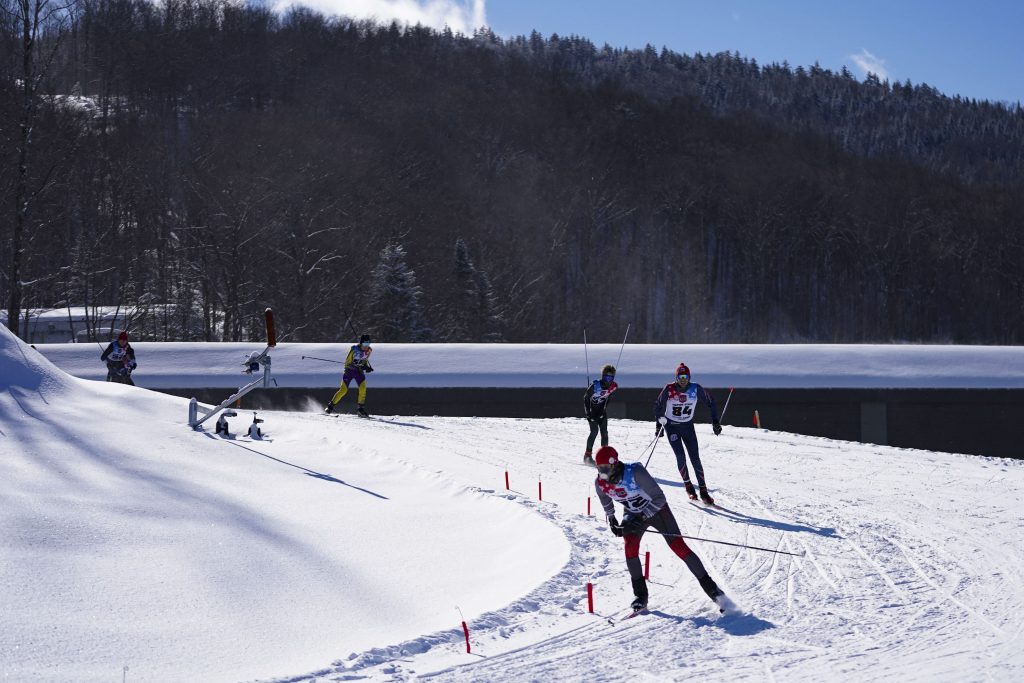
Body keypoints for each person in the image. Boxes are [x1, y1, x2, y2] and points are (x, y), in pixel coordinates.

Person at [593, 445, 731, 613]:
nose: (602, 473)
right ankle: (640, 596)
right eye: (599, 468)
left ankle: (714, 592)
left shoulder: (635, 472)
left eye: (605, 468)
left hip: (658, 511)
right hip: (633, 514)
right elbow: (604, 498)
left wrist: (643, 518)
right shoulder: (600, 483)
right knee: (630, 549)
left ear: (614, 463)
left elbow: (659, 498)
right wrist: (612, 518)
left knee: (679, 547)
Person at [654, 362, 722, 505]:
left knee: (695, 458)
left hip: (687, 426)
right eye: (680, 376)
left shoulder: (695, 388)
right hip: (672, 426)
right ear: (676, 377)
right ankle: (689, 487)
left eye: (685, 376)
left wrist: (715, 422)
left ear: (689, 377)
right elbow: (658, 404)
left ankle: (703, 491)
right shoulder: (669, 388)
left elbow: (711, 402)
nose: (683, 379)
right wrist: (658, 423)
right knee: (681, 457)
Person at [324, 334, 374, 417]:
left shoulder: (369, 350)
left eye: (368, 344)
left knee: (363, 388)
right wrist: (361, 365)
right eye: (365, 344)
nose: (367, 346)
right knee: (343, 390)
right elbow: (349, 361)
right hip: (349, 371)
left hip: (359, 372)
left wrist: (367, 367)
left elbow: (364, 361)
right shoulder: (354, 349)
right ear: (361, 343)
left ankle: (360, 409)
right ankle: (330, 406)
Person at [582, 364, 618, 466]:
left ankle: (604, 457)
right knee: (594, 432)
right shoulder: (595, 386)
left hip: (601, 411)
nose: (609, 380)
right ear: (603, 376)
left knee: (604, 433)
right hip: (592, 412)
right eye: (607, 377)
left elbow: (608, 398)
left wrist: (603, 410)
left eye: (611, 377)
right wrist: (588, 413)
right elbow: (586, 398)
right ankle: (587, 456)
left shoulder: (613, 386)